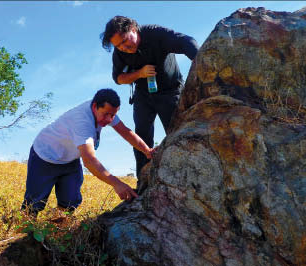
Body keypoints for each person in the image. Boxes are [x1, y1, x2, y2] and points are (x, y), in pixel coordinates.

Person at [21, 88, 153, 217]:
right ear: (95, 106)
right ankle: (23, 233)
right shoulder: (82, 121)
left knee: (70, 202)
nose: (109, 119)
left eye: (112, 115)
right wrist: (117, 184)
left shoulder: (106, 109)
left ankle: (56, 232)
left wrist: (147, 150)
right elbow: (89, 161)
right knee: (33, 204)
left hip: (70, 159)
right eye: (106, 114)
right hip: (45, 156)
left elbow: (125, 131)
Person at [101, 16, 199, 178]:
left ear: (133, 28)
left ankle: (185, 177)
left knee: (177, 134)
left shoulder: (155, 34)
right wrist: (139, 73)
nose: (123, 48)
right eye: (117, 46)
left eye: (125, 41)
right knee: (142, 139)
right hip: (143, 96)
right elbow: (118, 78)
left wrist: (201, 63)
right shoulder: (120, 52)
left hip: (170, 92)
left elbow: (187, 42)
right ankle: (143, 183)